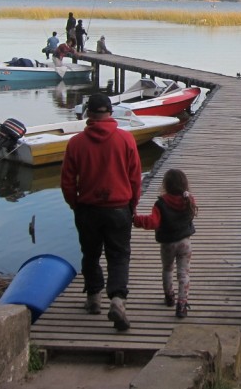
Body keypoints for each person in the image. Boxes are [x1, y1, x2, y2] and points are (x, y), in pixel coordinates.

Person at [60, 93, 142, 331]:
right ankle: (117, 299)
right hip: (119, 208)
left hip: (87, 208)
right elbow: (135, 178)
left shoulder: (75, 143)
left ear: (88, 113)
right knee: (118, 256)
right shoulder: (125, 140)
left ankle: (93, 299)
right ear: (110, 112)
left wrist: (74, 203)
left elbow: (67, 181)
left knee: (90, 253)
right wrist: (132, 205)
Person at [133, 168, 197, 318]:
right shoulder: (189, 200)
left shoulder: (160, 204)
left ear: (166, 185)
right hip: (185, 243)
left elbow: (153, 222)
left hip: (168, 244)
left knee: (168, 269)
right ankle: (182, 304)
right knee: (183, 274)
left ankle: (169, 298)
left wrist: (136, 220)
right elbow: (191, 213)